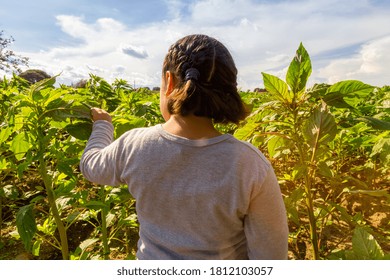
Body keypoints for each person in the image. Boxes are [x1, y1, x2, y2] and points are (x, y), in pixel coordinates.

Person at [80, 34, 288, 260]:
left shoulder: (135, 145)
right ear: (228, 91)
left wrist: (102, 126)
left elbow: (91, 165)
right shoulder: (250, 164)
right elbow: (270, 254)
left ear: (169, 82)